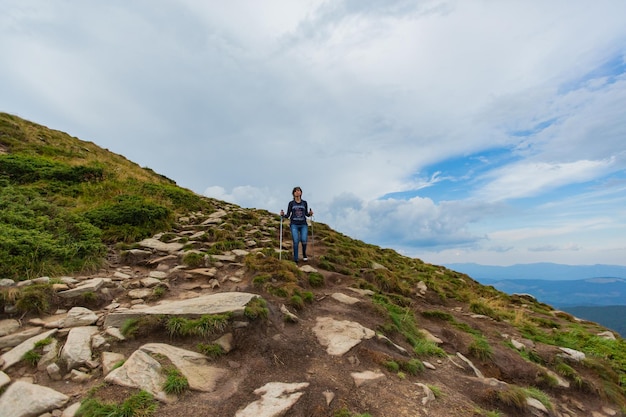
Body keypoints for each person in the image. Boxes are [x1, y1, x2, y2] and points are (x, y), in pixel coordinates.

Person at [280, 186, 313, 262]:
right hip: (294, 224)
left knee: (304, 240)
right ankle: (296, 258)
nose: (298, 192)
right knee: (296, 241)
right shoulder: (291, 203)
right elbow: (288, 215)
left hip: (303, 224)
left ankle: (304, 254)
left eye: (299, 191)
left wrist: (310, 214)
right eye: (296, 191)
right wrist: (283, 215)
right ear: (293, 193)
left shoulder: (304, 203)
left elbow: (306, 214)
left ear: (301, 193)